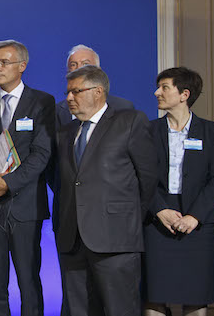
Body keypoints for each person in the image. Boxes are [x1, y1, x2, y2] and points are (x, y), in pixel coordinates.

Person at [55, 65, 157, 316]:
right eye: (68, 92)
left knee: (119, 309)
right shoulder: (66, 132)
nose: (69, 98)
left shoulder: (130, 122)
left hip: (116, 239)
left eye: (76, 91)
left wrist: (126, 218)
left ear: (98, 91)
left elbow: (148, 178)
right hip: (73, 239)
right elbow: (63, 182)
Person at [0, 40, 53, 316]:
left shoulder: (42, 102)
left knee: (29, 282)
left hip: (26, 205)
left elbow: (41, 154)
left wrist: (8, 184)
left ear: (22, 66)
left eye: (4, 62)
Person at [144, 67, 214, 316]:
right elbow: (141, 178)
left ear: (184, 94)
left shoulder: (211, 131)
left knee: (195, 295)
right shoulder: (147, 130)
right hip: (157, 225)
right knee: (154, 296)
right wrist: (159, 210)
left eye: (164, 87)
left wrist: (194, 217)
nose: (157, 92)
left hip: (198, 226)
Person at [55, 44, 133, 127]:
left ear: (98, 71)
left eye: (85, 64)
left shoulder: (122, 108)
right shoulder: (57, 112)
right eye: (73, 64)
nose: (79, 68)